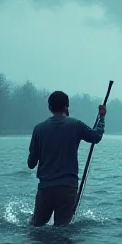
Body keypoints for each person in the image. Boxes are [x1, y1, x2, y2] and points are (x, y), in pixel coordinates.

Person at [27, 91, 106, 226]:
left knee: (36, 226)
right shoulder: (75, 125)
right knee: (63, 229)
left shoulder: (39, 129)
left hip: (46, 188)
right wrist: (102, 118)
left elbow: (31, 163)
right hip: (68, 187)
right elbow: (96, 136)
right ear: (66, 107)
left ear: (49, 108)